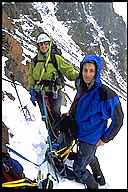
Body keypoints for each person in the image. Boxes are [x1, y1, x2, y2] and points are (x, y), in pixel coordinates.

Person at [68, 54, 124, 189]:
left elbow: (119, 120)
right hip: (81, 131)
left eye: (91, 71)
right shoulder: (81, 85)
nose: (87, 74)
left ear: (97, 72)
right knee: (90, 156)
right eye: (85, 70)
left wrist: (105, 138)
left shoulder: (105, 94)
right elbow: (77, 101)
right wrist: (71, 113)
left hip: (91, 137)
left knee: (79, 169)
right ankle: (99, 177)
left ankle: (93, 186)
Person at [27, 33, 79, 132]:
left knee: (55, 114)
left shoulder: (55, 58)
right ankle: (51, 135)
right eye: (41, 44)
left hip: (54, 92)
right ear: (38, 46)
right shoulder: (35, 61)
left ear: (49, 44)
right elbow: (31, 76)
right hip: (40, 93)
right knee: (45, 116)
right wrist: (32, 89)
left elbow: (68, 70)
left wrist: (80, 76)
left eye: (46, 44)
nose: (44, 46)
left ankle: (59, 136)